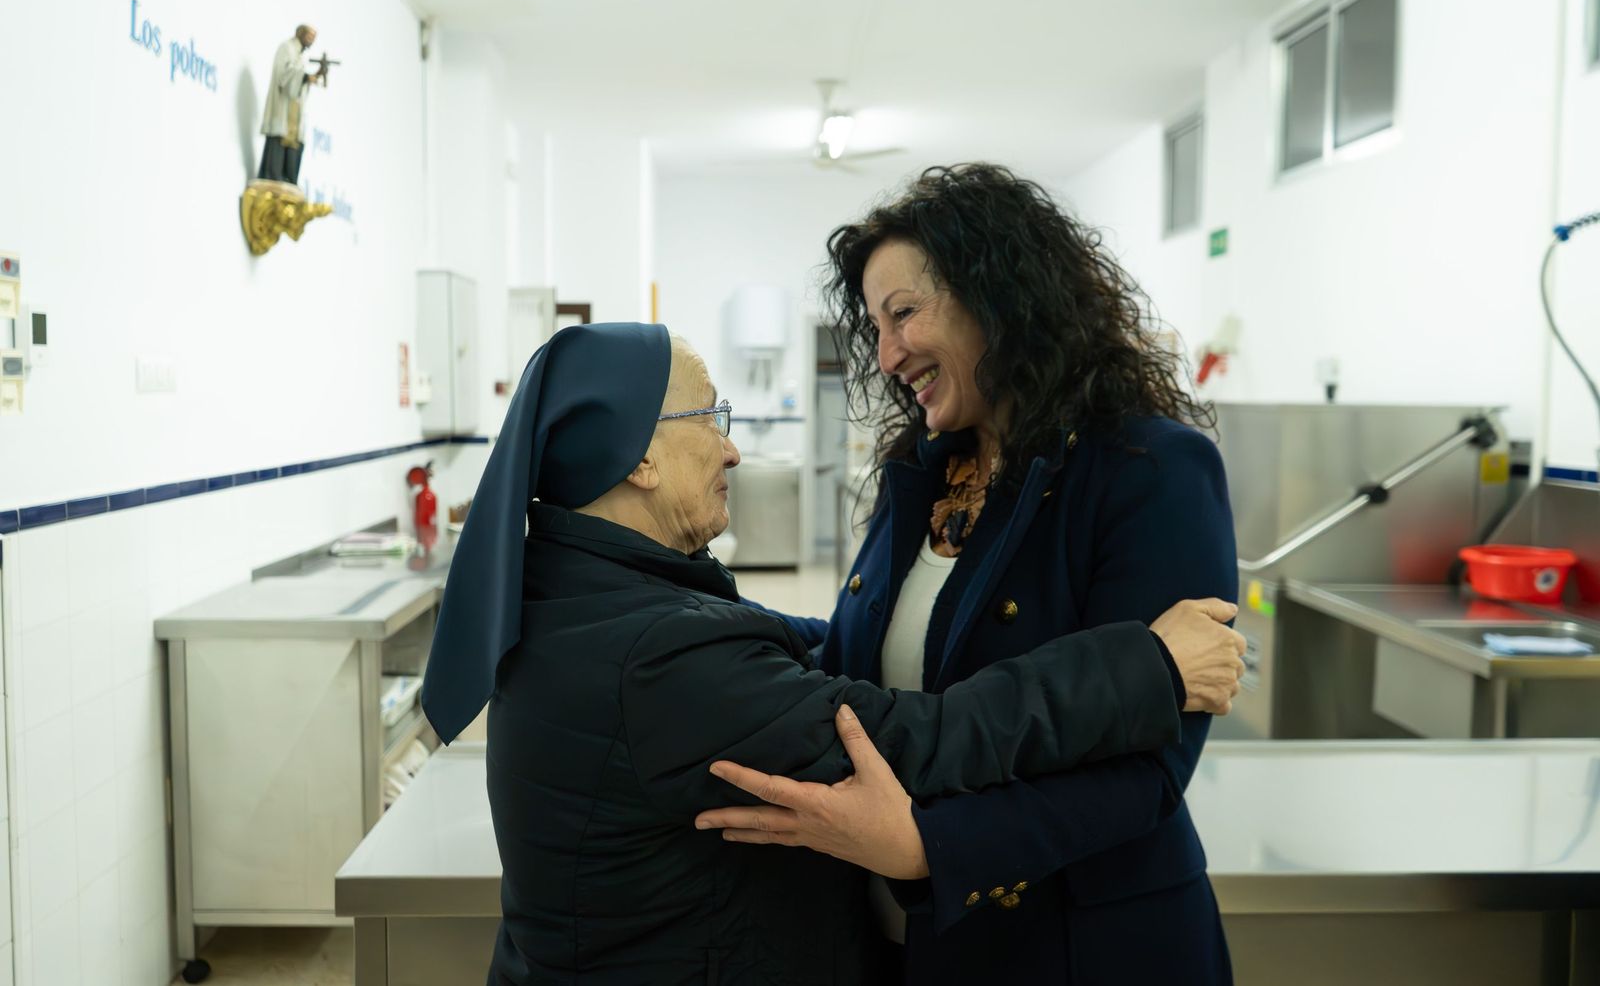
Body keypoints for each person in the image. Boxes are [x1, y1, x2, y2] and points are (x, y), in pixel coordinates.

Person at [419, 322, 1245, 984]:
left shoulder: (581, 592)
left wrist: (886, 631)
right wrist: (1148, 665)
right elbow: (918, 740)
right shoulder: (658, 659)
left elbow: (770, 640)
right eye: (709, 417)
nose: (731, 448)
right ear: (638, 458)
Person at [697, 164, 1240, 984]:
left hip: (1076, 948)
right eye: (875, 327)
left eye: (904, 313)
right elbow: (876, 663)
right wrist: (721, 648)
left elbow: (1147, 773)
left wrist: (930, 848)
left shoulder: (1149, 469)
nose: (887, 354)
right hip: (910, 939)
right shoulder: (923, 475)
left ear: (1000, 297)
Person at [257, 24, 324, 185]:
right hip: (283, 110)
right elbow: (283, 76)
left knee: (292, 156)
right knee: (277, 149)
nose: (311, 41)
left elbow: (300, 83)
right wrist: (305, 77)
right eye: (309, 36)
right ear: (301, 34)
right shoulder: (286, 48)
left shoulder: (300, 55)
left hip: (294, 114)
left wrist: (310, 78)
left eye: (313, 38)